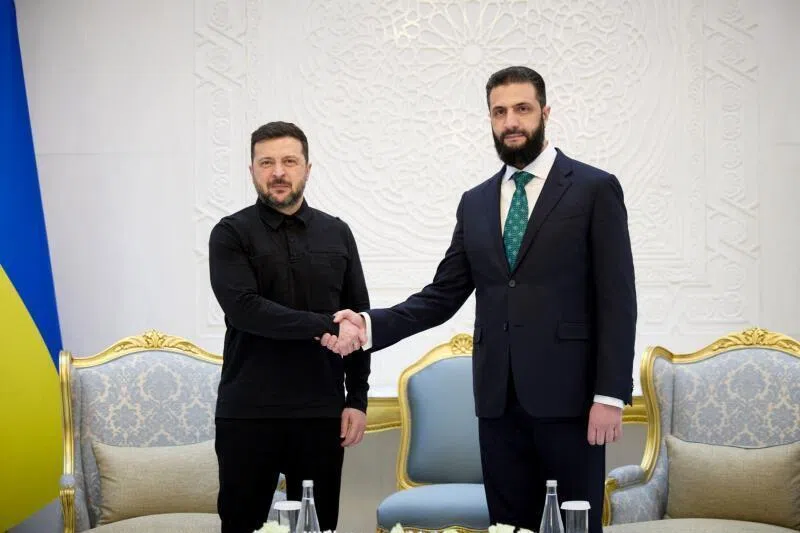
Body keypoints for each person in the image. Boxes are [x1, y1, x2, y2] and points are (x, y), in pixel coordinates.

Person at [325, 66, 637, 533]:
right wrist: (368, 326)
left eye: (522, 109)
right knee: (508, 526)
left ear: (545, 113)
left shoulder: (594, 189)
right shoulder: (475, 201)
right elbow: (442, 295)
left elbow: (618, 299)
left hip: (573, 403)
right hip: (497, 403)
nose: (511, 121)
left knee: (574, 526)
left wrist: (610, 394)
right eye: (499, 111)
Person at [209, 121, 370, 533]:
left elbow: (358, 317)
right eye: (267, 162)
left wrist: (357, 399)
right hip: (248, 414)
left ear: (307, 168)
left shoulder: (337, 232)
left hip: (320, 414)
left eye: (288, 161)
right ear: (252, 171)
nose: (278, 172)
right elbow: (246, 310)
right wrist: (323, 325)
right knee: (242, 526)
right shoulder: (230, 233)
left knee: (319, 528)